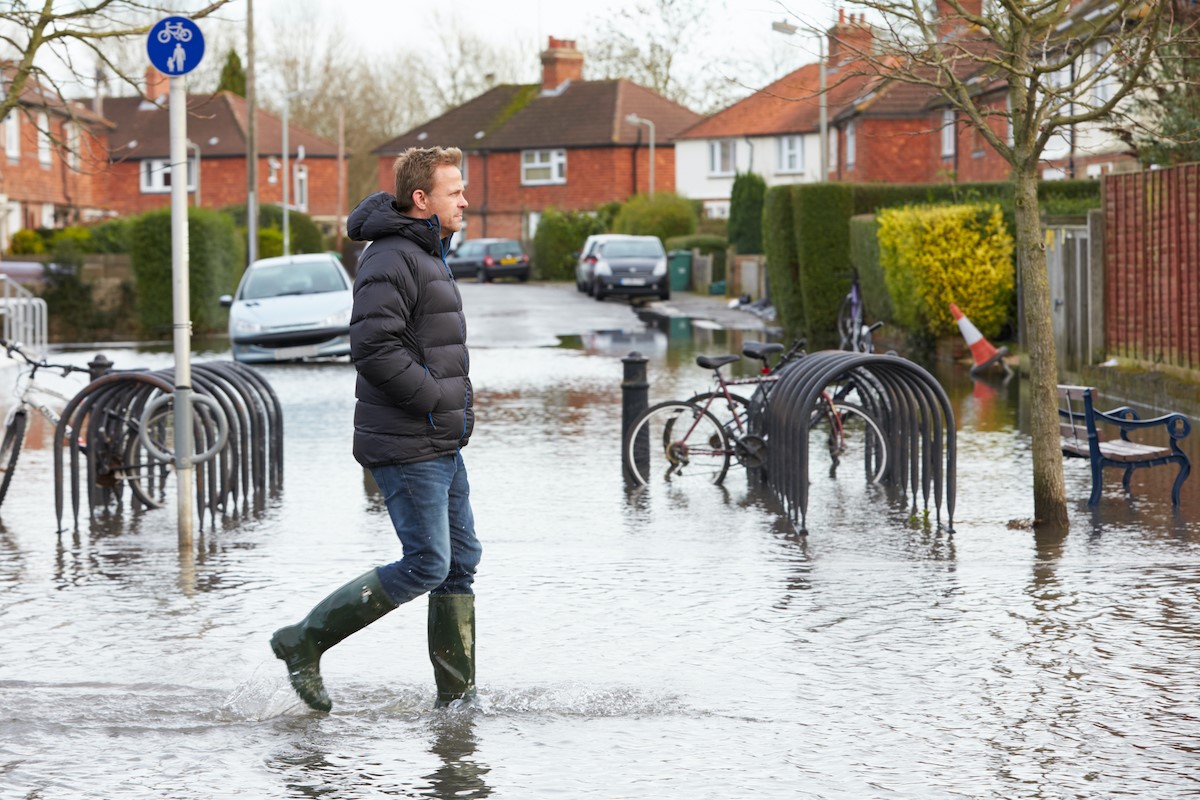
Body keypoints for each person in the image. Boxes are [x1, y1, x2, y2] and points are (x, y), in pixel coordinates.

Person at [270, 146, 480, 712]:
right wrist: (436, 399)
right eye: (454, 190)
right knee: (428, 563)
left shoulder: (426, 252)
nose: (465, 199)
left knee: (460, 563)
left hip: (439, 438)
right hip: (409, 439)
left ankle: (457, 703)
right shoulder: (391, 256)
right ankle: (305, 639)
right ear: (422, 200)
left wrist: (449, 411)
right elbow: (374, 346)